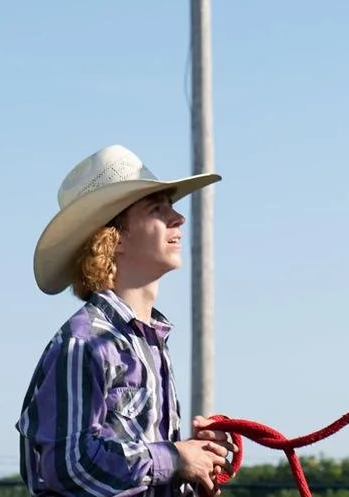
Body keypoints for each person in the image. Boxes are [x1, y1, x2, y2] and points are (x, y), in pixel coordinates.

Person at [17, 144, 235, 496]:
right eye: (157, 209)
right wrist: (176, 458)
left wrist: (196, 464)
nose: (178, 218)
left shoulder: (149, 345)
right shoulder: (83, 341)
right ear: (113, 238)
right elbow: (69, 465)